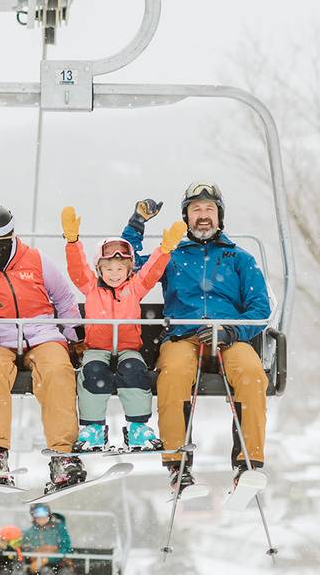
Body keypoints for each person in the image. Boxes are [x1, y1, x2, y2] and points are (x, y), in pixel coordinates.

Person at [121, 184, 271, 495]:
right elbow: (125, 263)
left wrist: (232, 330)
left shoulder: (239, 258)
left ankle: (247, 463)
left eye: (209, 210)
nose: (203, 217)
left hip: (229, 335)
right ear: (186, 218)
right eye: (196, 211)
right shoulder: (172, 255)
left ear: (220, 216)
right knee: (173, 374)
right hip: (183, 333)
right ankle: (179, 465)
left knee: (253, 375)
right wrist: (137, 223)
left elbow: (260, 309)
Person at [0, 204, 86, 491]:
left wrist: (75, 338)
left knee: (57, 370)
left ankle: (63, 455)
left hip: (40, 333)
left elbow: (63, 299)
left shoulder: (36, 261)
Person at [60, 206, 187, 451]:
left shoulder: (135, 288)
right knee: (92, 373)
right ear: (99, 269)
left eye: (120, 269)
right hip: (97, 347)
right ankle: (94, 429)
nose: (114, 274)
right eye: (108, 269)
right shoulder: (91, 288)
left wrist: (165, 249)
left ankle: (138, 428)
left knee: (135, 372)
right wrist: (72, 241)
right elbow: (76, 269)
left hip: (129, 348)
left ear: (129, 270)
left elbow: (151, 272)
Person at [21, 504, 73, 575]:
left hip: (61, 565)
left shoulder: (59, 528)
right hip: (40, 567)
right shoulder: (29, 532)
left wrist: (46, 559)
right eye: (37, 513)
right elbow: (26, 549)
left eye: (44, 513)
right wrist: (34, 559)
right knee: (45, 571)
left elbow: (66, 548)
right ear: (33, 516)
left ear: (48, 514)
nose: (41, 517)